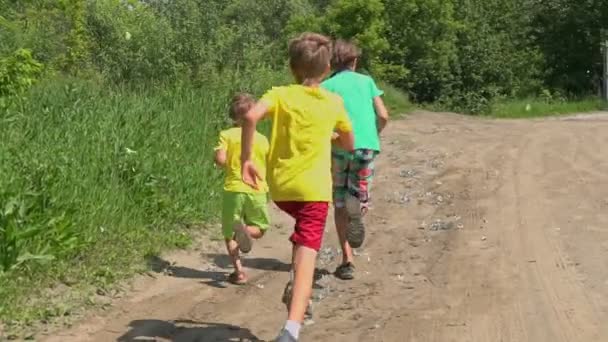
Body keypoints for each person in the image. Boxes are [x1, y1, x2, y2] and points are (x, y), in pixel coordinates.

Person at [240, 33, 354, 342]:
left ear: (292, 68)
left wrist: (246, 158)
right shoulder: (334, 102)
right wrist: (333, 138)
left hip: (281, 189)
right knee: (308, 255)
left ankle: (285, 275)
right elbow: (348, 141)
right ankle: (292, 327)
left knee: (301, 230)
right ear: (328, 68)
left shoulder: (280, 94)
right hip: (314, 191)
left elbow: (250, 115)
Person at [321, 39, 389, 280]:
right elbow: (383, 114)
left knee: (339, 201)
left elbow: (321, 123)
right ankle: (358, 210)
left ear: (332, 62)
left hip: (339, 147)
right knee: (358, 194)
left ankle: (347, 259)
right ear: (355, 61)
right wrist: (373, 135)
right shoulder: (367, 81)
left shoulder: (326, 87)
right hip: (365, 147)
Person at [213, 93, 271, 285]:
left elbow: (220, 159)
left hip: (234, 188)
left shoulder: (226, 135)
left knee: (229, 232)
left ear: (233, 116)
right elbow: (269, 164)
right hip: (257, 189)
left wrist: (227, 163)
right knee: (261, 228)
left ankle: (239, 272)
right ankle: (246, 231)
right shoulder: (263, 139)